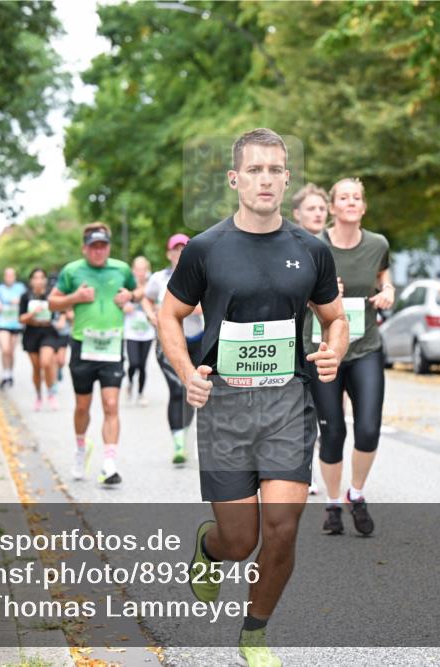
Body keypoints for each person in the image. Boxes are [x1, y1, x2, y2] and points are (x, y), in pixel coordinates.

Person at [158, 128, 347, 666]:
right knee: (240, 541)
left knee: (282, 529)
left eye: (275, 170)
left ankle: (255, 633)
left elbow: (334, 318)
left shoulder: (311, 250)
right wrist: (187, 372)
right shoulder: (205, 249)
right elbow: (169, 315)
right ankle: (210, 547)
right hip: (224, 406)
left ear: (286, 179)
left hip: (288, 403)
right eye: (254, 170)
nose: (265, 179)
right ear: (234, 179)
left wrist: (333, 350)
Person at [303, 178, 394, 537]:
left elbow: (383, 276)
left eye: (357, 197)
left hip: (365, 346)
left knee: (368, 429)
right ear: (333, 207)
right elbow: (293, 293)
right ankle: (332, 503)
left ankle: (355, 493)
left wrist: (388, 290)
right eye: (344, 197)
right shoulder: (313, 246)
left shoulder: (377, 244)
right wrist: (322, 294)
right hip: (324, 350)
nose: (352, 202)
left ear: (364, 207)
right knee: (333, 431)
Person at [47, 223, 136, 485]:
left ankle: (109, 464)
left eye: (103, 246)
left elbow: (138, 291)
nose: (99, 251)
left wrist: (130, 295)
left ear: (109, 247)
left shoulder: (121, 269)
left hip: (112, 346)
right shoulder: (72, 271)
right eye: (94, 247)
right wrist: (74, 297)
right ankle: (80, 449)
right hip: (82, 346)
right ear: (84, 248)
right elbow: (52, 302)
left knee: (111, 404)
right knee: (82, 406)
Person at [142, 233, 204, 464]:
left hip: (196, 340)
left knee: (194, 390)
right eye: (176, 249)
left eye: (184, 249)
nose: (180, 253)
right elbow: (146, 299)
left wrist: (179, 309)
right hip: (168, 343)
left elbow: (209, 305)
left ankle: (186, 434)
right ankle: (178, 443)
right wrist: (151, 315)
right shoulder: (159, 278)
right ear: (169, 253)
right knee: (178, 389)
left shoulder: (201, 275)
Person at [291, 183, 330, 495]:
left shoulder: (332, 246)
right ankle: (305, 470)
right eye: (311, 208)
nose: (318, 214)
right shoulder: (289, 247)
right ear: (297, 214)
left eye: (321, 208)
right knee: (302, 411)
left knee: (328, 415)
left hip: (328, 344)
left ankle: (319, 465)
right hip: (298, 342)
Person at [19, 268, 64, 411]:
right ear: (31, 281)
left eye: (41, 277)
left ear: (45, 280)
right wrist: (32, 313)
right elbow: (21, 318)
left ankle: (51, 393)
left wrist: (62, 320)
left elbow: (63, 310)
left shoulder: (51, 294)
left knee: (46, 362)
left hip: (48, 332)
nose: (39, 281)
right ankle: (39, 395)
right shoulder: (26, 296)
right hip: (31, 332)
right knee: (36, 368)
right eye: (35, 278)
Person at [124, 256, 156, 407]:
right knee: (133, 363)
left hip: (147, 332)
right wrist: (125, 307)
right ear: (133, 270)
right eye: (138, 269)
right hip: (131, 332)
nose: (140, 272)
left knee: (142, 365)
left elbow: (158, 303)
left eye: (143, 269)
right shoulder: (128, 286)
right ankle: (130, 382)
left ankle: (141, 393)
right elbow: (120, 304)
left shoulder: (152, 286)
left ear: (147, 270)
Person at [0, 268, 27, 389]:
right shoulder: (0, 289)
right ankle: (5, 374)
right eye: (7, 275)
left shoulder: (20, 288)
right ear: (4, 277)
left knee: (11, 352)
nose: (9, 277)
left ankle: (10, 373)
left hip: (16, 324)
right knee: (5, 350)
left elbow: (25, 301)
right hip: (4, 323)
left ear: (15, 276)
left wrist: (18, 302)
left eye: (11, 275)